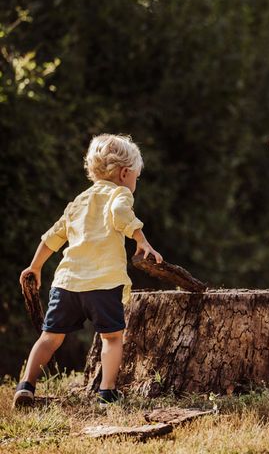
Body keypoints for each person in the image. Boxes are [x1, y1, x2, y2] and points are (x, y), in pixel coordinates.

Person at [13, 134, 162, 408]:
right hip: (103, 283)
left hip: (67, 282)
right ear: (125, 173)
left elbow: (53, 236)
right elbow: (120, 213)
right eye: (136, 178)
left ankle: (26, 385)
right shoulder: (120, 194)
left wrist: (35, 266)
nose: (135, 184)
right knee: (112, 338)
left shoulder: (79, 200)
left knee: (49, 338)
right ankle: (107, 392)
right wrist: (141, 239)